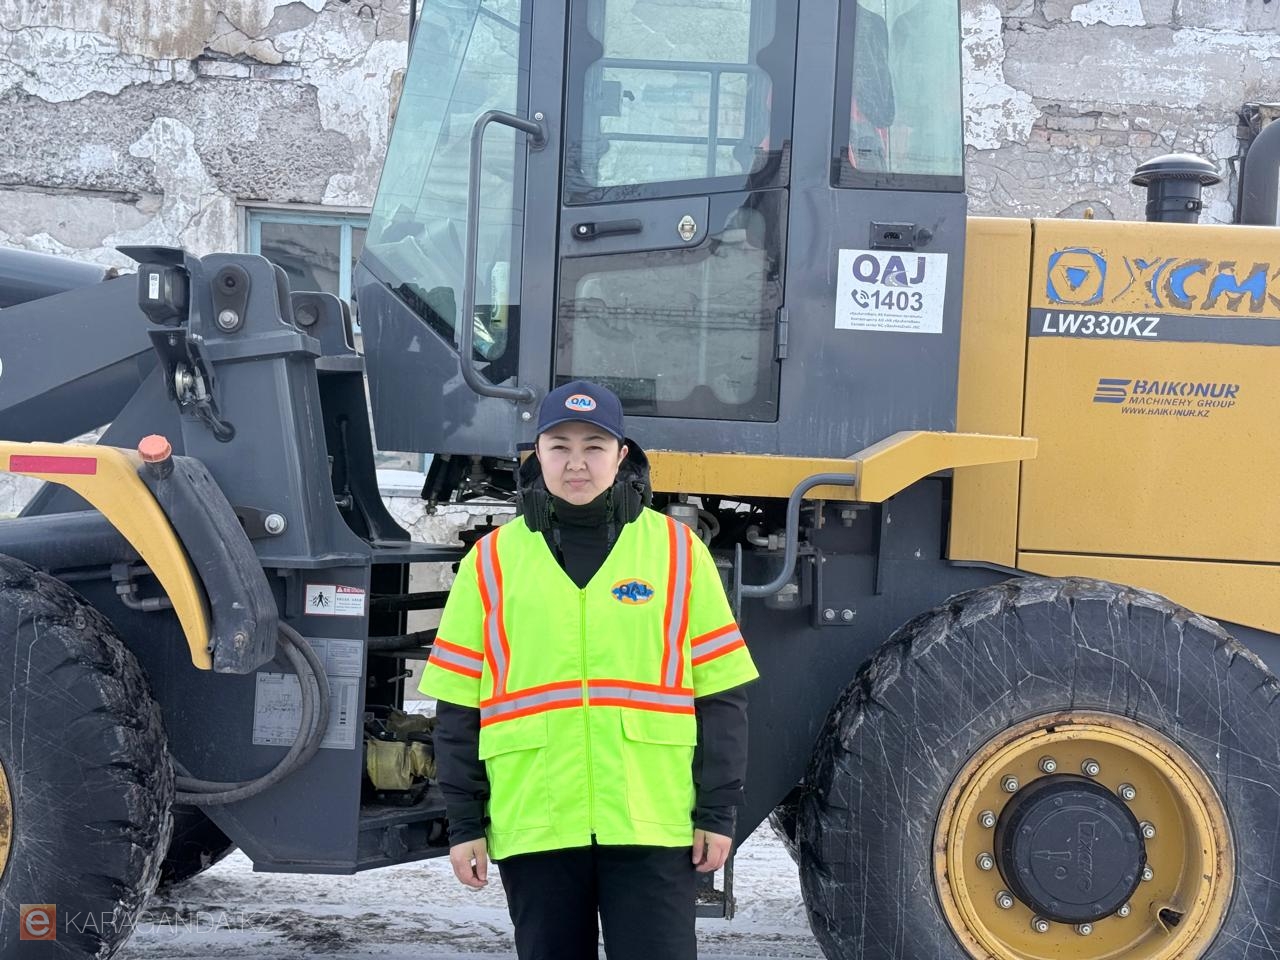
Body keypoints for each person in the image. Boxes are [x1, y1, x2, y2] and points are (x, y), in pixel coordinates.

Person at [420, 379, 758, 960]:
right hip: (537, 823)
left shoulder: (680, 553)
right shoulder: (490, 563)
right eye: (560, 446)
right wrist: (464, 823)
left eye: (594, 446)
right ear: (537, 454)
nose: (576, 462)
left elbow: (721, 698)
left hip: (652, 824)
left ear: (621, 455)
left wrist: (717, 812)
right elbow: (457, 708)